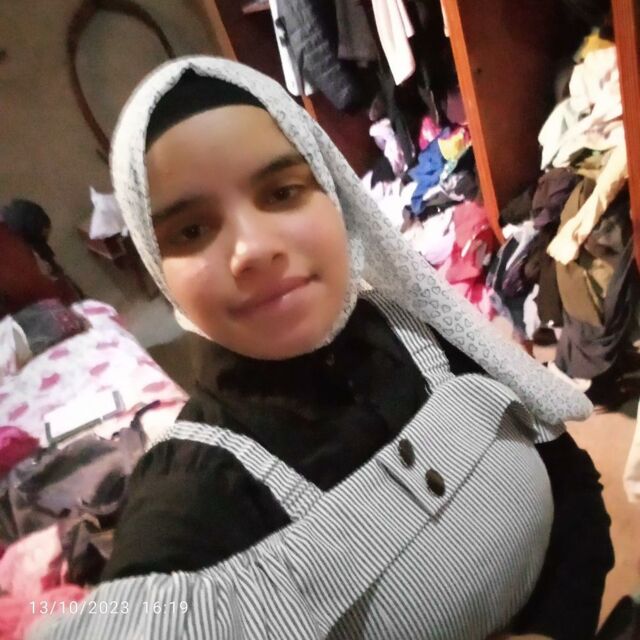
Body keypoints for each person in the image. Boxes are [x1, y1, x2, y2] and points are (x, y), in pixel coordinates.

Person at [30, 58, 613, 640]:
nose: (252, 249)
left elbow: (570, 477)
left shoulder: (422, 326)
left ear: (334, 195)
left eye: (282, 192)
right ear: (161, 272)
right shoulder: (196, 492)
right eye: (191, 231)